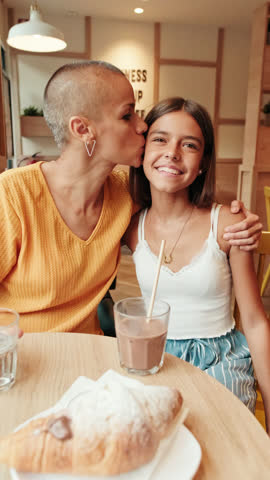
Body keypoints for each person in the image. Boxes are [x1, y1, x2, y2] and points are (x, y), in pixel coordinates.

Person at [0, 61, 262, 334]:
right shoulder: (11, 195)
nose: (142, 126)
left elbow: (181, 189)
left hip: (91, 357)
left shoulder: (125, 192)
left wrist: (238, 217)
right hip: (23, 357)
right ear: (82, 129)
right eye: (127, 116)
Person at [124, 97, 270, 432]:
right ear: (142, 153)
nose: (173, 153)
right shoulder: (131, 225)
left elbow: (254, 321)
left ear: (203, 163)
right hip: (153, 355)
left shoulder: (228, 222)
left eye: (189, 145)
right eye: (160, 139)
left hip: (220, 359)